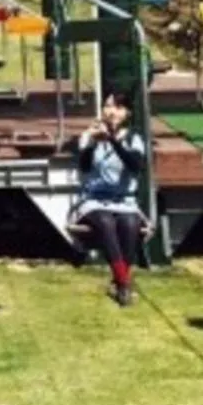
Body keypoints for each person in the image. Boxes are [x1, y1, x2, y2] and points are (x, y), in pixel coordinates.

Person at [74, 90, 148, 306]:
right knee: (105, 221)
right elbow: (84, 167)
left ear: (127, 113)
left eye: (118, 107)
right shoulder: (90, 136)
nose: (112, 111)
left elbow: (136, 166)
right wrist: (91, 143)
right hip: (95, 199)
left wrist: (114, 141)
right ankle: (124, 283)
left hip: (125, 200)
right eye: (108, 106)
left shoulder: (134, 138)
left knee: (130, 223)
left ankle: (119, 278)